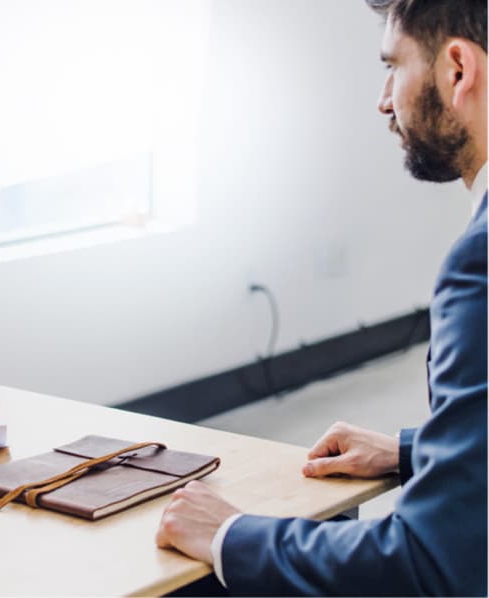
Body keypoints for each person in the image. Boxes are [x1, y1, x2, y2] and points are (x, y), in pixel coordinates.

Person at [156, 0, 487, 595]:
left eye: (395, 66)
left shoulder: (479, 263)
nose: (385, 99)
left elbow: (433, 565)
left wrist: (231, 533)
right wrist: (420, 451)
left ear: (457, 70)